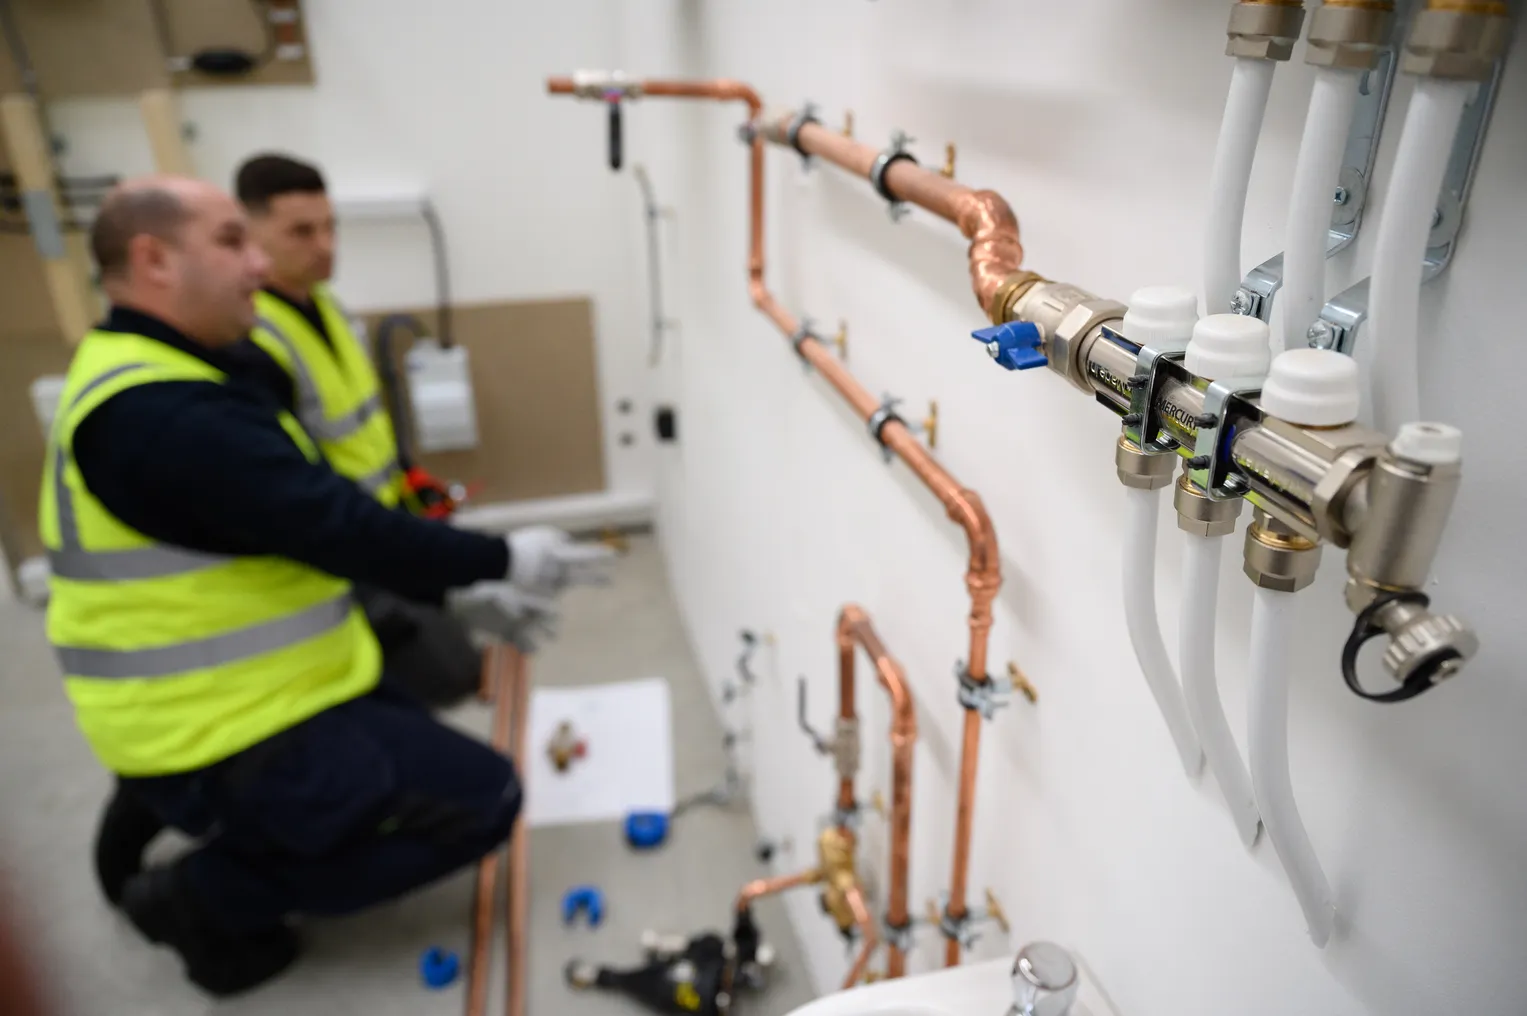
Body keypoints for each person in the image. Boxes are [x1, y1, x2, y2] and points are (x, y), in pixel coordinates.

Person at [42, 175, 612, 996]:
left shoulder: (163, 363)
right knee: (484, 797)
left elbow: (315, 508)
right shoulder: (166, 418)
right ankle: (203, 895)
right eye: (234, 241)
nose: (258, 264)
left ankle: (170, 802)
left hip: (240, 682)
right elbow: (334, 524)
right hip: (215, 717)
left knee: (426, 690)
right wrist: (497, 561)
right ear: (153, 261)